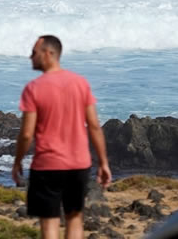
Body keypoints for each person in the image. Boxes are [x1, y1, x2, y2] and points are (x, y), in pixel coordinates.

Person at [12, 35, 111, 239]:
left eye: (34, 53)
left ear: (48, 54)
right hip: (78, 164)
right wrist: (103, 162)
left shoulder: (34, 88)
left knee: (50, 223)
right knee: (75, 219)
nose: (30, 57)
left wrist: (18, 161)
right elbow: (94, 125)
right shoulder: (80, 83)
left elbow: (27, 134)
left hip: (48, 165)